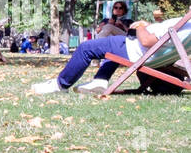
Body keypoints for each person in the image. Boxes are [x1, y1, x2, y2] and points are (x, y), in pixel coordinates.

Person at [31, 15, 183, 95]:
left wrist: (140, 27)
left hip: (134, 49)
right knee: (111, 50)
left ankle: (60, 85)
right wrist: (149, 26)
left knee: (85, 48)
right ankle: (101, 79)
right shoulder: (186, 27)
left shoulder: (184, 24)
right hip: (145, 54)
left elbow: (146, 40)